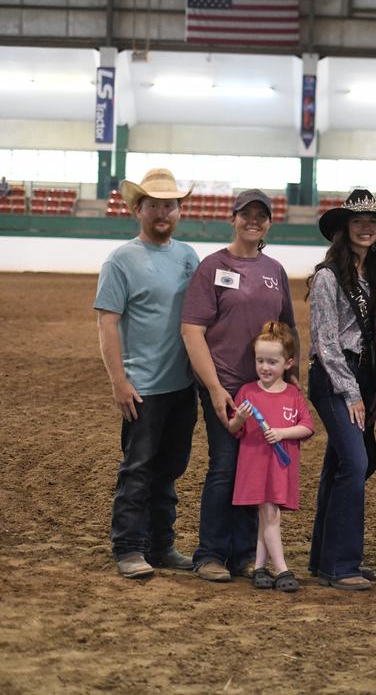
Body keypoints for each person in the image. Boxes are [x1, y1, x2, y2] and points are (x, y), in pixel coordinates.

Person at [181, 189, 299, 583]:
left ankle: (247, 554)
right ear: (232, 218)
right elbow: (192, 329)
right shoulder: (213, 267)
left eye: (260, 215)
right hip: (227, 385)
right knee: (226, 465)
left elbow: (288, 329)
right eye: (245, 214)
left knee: (256, 468)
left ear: (269, 222)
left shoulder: (274, 270)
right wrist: (214, 388)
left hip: (264, 389)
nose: (253, 220)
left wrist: (291, 380)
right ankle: (211, 553)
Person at [94, 168, 199, 579]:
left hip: (181, 384)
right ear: (138, 209)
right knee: (138, 469)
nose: (163, 212)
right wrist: (119, 381)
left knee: (170, 468)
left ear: (179, 211)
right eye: (154, 205)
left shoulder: (188, 256)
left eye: (170, 205)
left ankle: (161, 544)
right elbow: (107, 324)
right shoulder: (120, 260)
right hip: (143, 388)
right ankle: (128, 547)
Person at [307, 189, 376, 591]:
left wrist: (370, 386)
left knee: (341, 463)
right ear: (345, 228)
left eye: (372, 222)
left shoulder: (374, 277)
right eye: (358, 221)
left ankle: (324, 558)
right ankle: (342, 563)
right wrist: (352, 392)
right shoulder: (328, 276)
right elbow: (325, 341)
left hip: (362, 376)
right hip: (334, 378)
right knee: (357, 464)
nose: (366, 228)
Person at [230, 322, 314, 593]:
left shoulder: (293, 395)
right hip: (255, 466)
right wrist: (239, 418)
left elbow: (308, 427)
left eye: (272, 361)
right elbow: (234, 428)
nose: (264, 367)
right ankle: (282, 569)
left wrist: (281, 432)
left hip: (279, 466)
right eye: (260, 360)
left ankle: (259, 566)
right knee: (269, 513)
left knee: (268, 516)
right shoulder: (247, 391)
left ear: (288, 363)